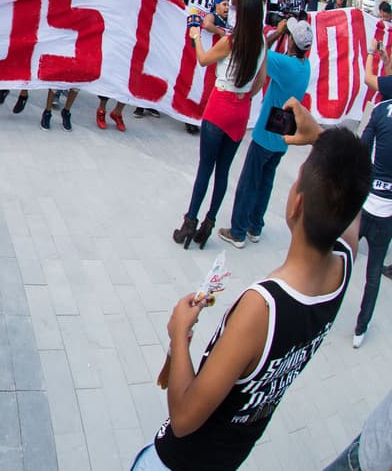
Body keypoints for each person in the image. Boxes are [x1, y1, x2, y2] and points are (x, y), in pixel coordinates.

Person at [134, 102, 367, 471]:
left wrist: (179, 333)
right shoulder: (344, 263)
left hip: (178, 462)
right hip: (229, 457)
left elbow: (185, 418)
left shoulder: (263, 308)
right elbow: (351, 205)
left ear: (296, 204)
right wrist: (324, 144)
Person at [174, 0, 267, 249]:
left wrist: (196, 38)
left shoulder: (231, 40)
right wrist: (245, 96)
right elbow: (260, 80)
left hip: (220, 103)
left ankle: (189, 222)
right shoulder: (261, 40)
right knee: (223, 172)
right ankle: (209, 223)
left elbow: (203, 60)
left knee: (206, 168)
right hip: (241, 108)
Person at [218, 17, 313, 249]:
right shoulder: (304, 66)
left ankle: (238, 231)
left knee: (249, 181)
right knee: (266, 181)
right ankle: (255, 226)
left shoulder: (284, 64)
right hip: (284, 132)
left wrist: (274, 34)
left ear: (291, 41)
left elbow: (260, 53)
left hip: (267, 131)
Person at [352, 56, 392, 349]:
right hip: (388, 212)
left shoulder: (379, 111)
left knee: (342, 259)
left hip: (365, 204)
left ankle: (326, 306)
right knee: (374, 273)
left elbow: (361, 150)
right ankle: (360, 328)